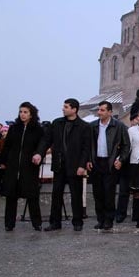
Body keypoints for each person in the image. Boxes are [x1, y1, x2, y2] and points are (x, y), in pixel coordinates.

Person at [34, 98, 90, 231]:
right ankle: (55, 222)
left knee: (76, 195)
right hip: (59, 164)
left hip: (75, 166)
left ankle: (77, 222)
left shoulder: (84, 126)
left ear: (74, 109)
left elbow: (86, 148)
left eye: (66, 107)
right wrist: (39, 153)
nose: (63, 109)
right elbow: (46, 140)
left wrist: (82, 165)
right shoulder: (57, 123)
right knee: (56, 194)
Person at [0, 102, 45, 231]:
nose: (22, 115)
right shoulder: (14, 128)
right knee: (11, 196)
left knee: (32, 196)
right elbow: (7, 146)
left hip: (29, 166)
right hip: (13, 166)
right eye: (21, 112)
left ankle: (37, 222)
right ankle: (9, 223)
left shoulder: (38, 129)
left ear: (31, 114)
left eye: (25, 112)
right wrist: (2, 161)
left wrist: (38, 155)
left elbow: (41, 146)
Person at [86, 101, 130, 230]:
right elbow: (88, 145)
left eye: (103, 110)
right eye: (99, 110)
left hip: (110, 162)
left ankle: (109, 219)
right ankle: (100, 219)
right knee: (97, 192)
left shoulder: (119, 126)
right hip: (96, 162)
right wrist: (88, 160)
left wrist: (121, 159)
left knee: (109, 193)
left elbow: (126, 145)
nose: (99, 112)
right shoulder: (93, 126)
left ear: (110, 112)